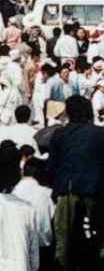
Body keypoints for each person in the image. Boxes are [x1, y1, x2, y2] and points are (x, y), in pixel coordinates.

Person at [46, 96, 104, 271]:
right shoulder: (100, 133)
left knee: (64, 241)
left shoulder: (59, 134)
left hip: (67, 188)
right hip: (95, 190)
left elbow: (52, 166)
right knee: (95, 237)